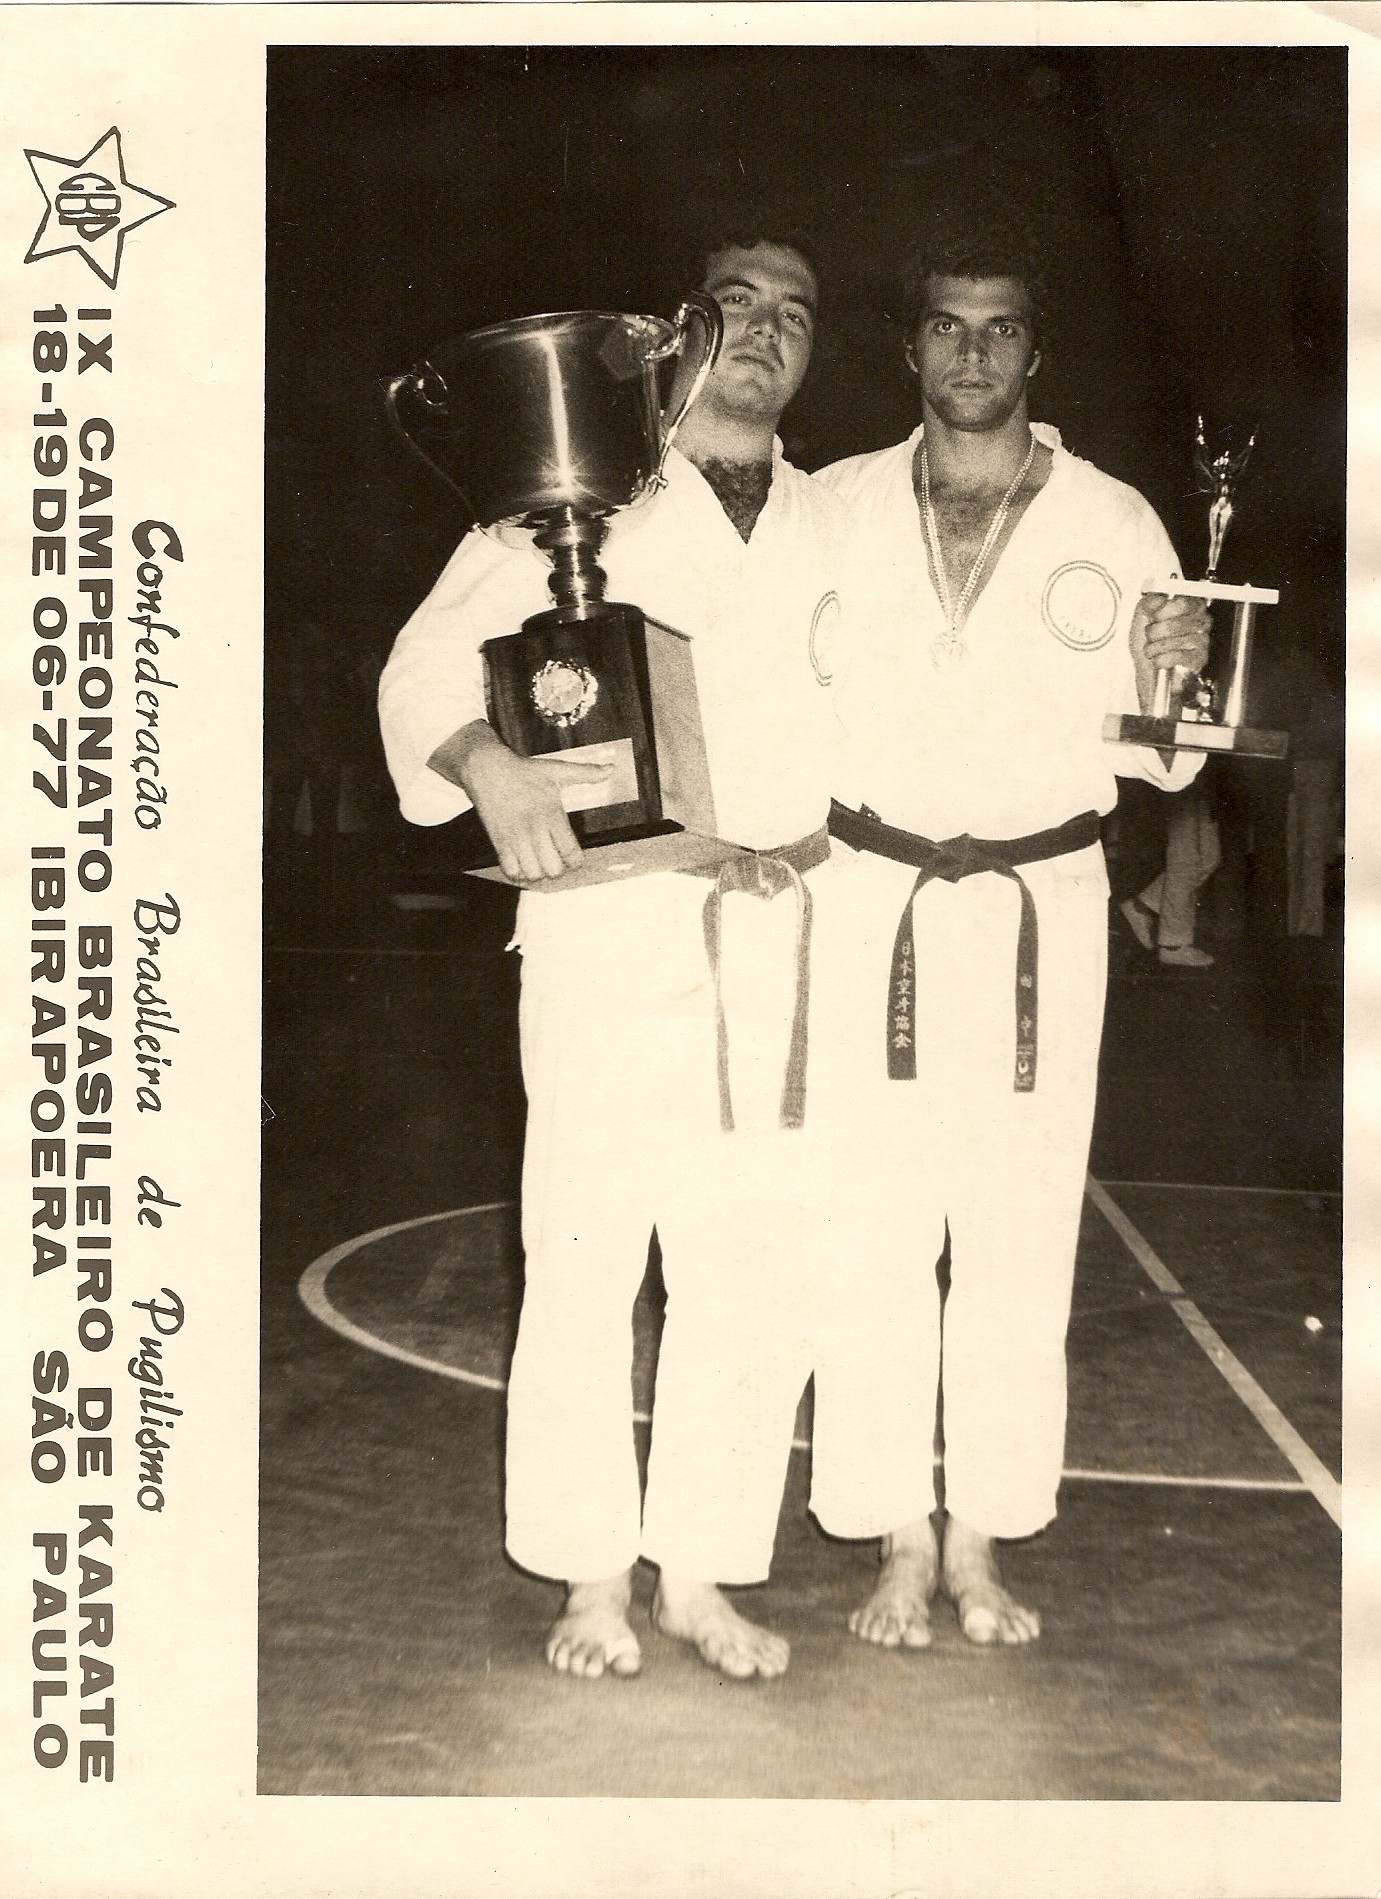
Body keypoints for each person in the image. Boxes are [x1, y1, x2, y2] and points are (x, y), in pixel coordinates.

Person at [379, 231, 854, 1680]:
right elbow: (420, 669)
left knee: (745, 1260)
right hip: (605, 922)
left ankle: (697, 1570)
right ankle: (590, 1574)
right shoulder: (578, 490)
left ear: (814, 349)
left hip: (784, 925)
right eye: (734, 307)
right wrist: (490, 767)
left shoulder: (839, 514)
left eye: (793, 313)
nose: (764, 332)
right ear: (676, 337)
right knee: (587, 1252)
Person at [809, 220, 1211, 1649]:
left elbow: (1169, 751)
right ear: (908, 346)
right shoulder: (834, 503)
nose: (971, 352)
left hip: (1042, 906)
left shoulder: (1117, 518)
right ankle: (894, 1540)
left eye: (999, 329)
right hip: (869, 896)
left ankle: (978, 1539)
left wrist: (1179, 678)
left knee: (1017, 1231)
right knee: (870, 1229)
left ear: (1036, 353)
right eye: (946, 325)